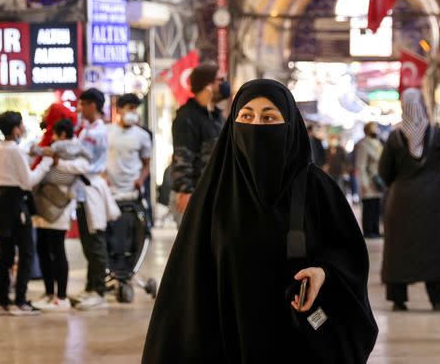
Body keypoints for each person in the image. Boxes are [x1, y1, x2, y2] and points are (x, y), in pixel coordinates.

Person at [142, 79, 378, 363]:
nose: (256, 126)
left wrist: (323, 273)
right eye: (246, 116)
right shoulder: (212, 195)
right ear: (233, 124)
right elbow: (187, 285)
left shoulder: (318, 189)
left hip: (298, 345)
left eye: (269, 118)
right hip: (228, 343)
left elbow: (349, 257)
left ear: (289, 125)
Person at [378, 88, 440, 312]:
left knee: (398, 250)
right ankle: (437, 299)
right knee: (435, 248)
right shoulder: (437, 135)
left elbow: (384, 172)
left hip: (401, 201)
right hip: (433, 201)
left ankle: (398, 299)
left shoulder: (394, 137)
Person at [0, 111, 53, 316]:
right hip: (16, 202)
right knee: (26, 252)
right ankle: (21, 301)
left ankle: (3, 300)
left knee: (5, 254)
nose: (23, 128)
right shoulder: (15, 150)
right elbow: (28, 181)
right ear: (16, 129)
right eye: (21, 125)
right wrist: (46, 163)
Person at [65, 88, 120, 311]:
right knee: (88, 242)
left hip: (90, 190)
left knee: (94, 241)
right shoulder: (88, 129)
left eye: (83, 104)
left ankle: (98, 290)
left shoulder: (94, 132)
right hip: (84, 190)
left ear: (92, 105)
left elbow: (79, 161)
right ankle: (91, 288)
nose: (80, 109)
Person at [32, 118, 85, 312]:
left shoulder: (55, 149)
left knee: (51, 250)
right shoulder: (79, 150)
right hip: (57, 204)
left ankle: (58, 296)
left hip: (52, 204)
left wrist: (55, 161)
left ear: (62, 134)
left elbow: (41, 168)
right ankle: (52, 294)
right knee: (50, 249)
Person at [171, 63, 226, 212]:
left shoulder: (218, 117)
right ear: (208, 85)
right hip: (197, 196)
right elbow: (182, 156)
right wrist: (185, 191)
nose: (225, 84)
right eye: (220, 80)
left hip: (216, 194)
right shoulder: (186, 117)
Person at [108, 93, 152, 200]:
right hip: (110, 192)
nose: (133, 111)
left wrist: (140, 180)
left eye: (135, 108)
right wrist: (103, 177)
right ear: (119, 110)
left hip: (133, 193)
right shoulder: (107, 132)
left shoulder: (143, 135)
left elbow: (147, 165)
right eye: (130, 108)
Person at [355, 122, 384, 238]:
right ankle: (368, 231)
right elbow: (361, 165)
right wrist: (364, 183)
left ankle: (375, 230)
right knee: (369, 206)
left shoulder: (378, 143)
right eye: (375, 127)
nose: (377, 130)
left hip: (377, 181)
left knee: (376, 206)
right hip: (369, 180)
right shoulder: (364, 144)